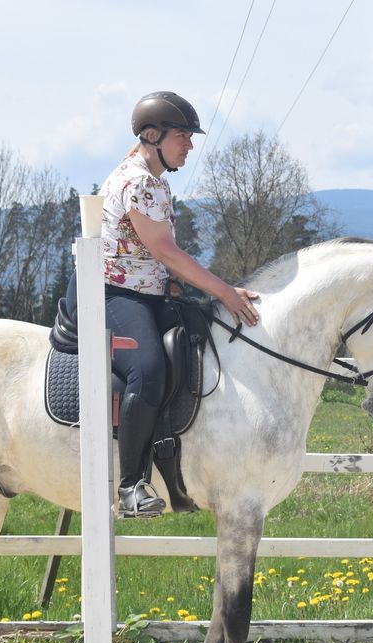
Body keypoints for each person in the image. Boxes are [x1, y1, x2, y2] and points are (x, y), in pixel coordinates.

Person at [65, 90, 259, 518]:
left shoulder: (156, 181)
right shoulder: (140, 182)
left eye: (189, 137)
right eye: (183, 136)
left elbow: (155, 256)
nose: (189, 145)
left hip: (144, 291)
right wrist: (224, 291)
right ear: (152, 136)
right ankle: (132, 485)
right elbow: (167, 251)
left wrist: (174, 285)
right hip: (112, 295)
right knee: (147, 370)